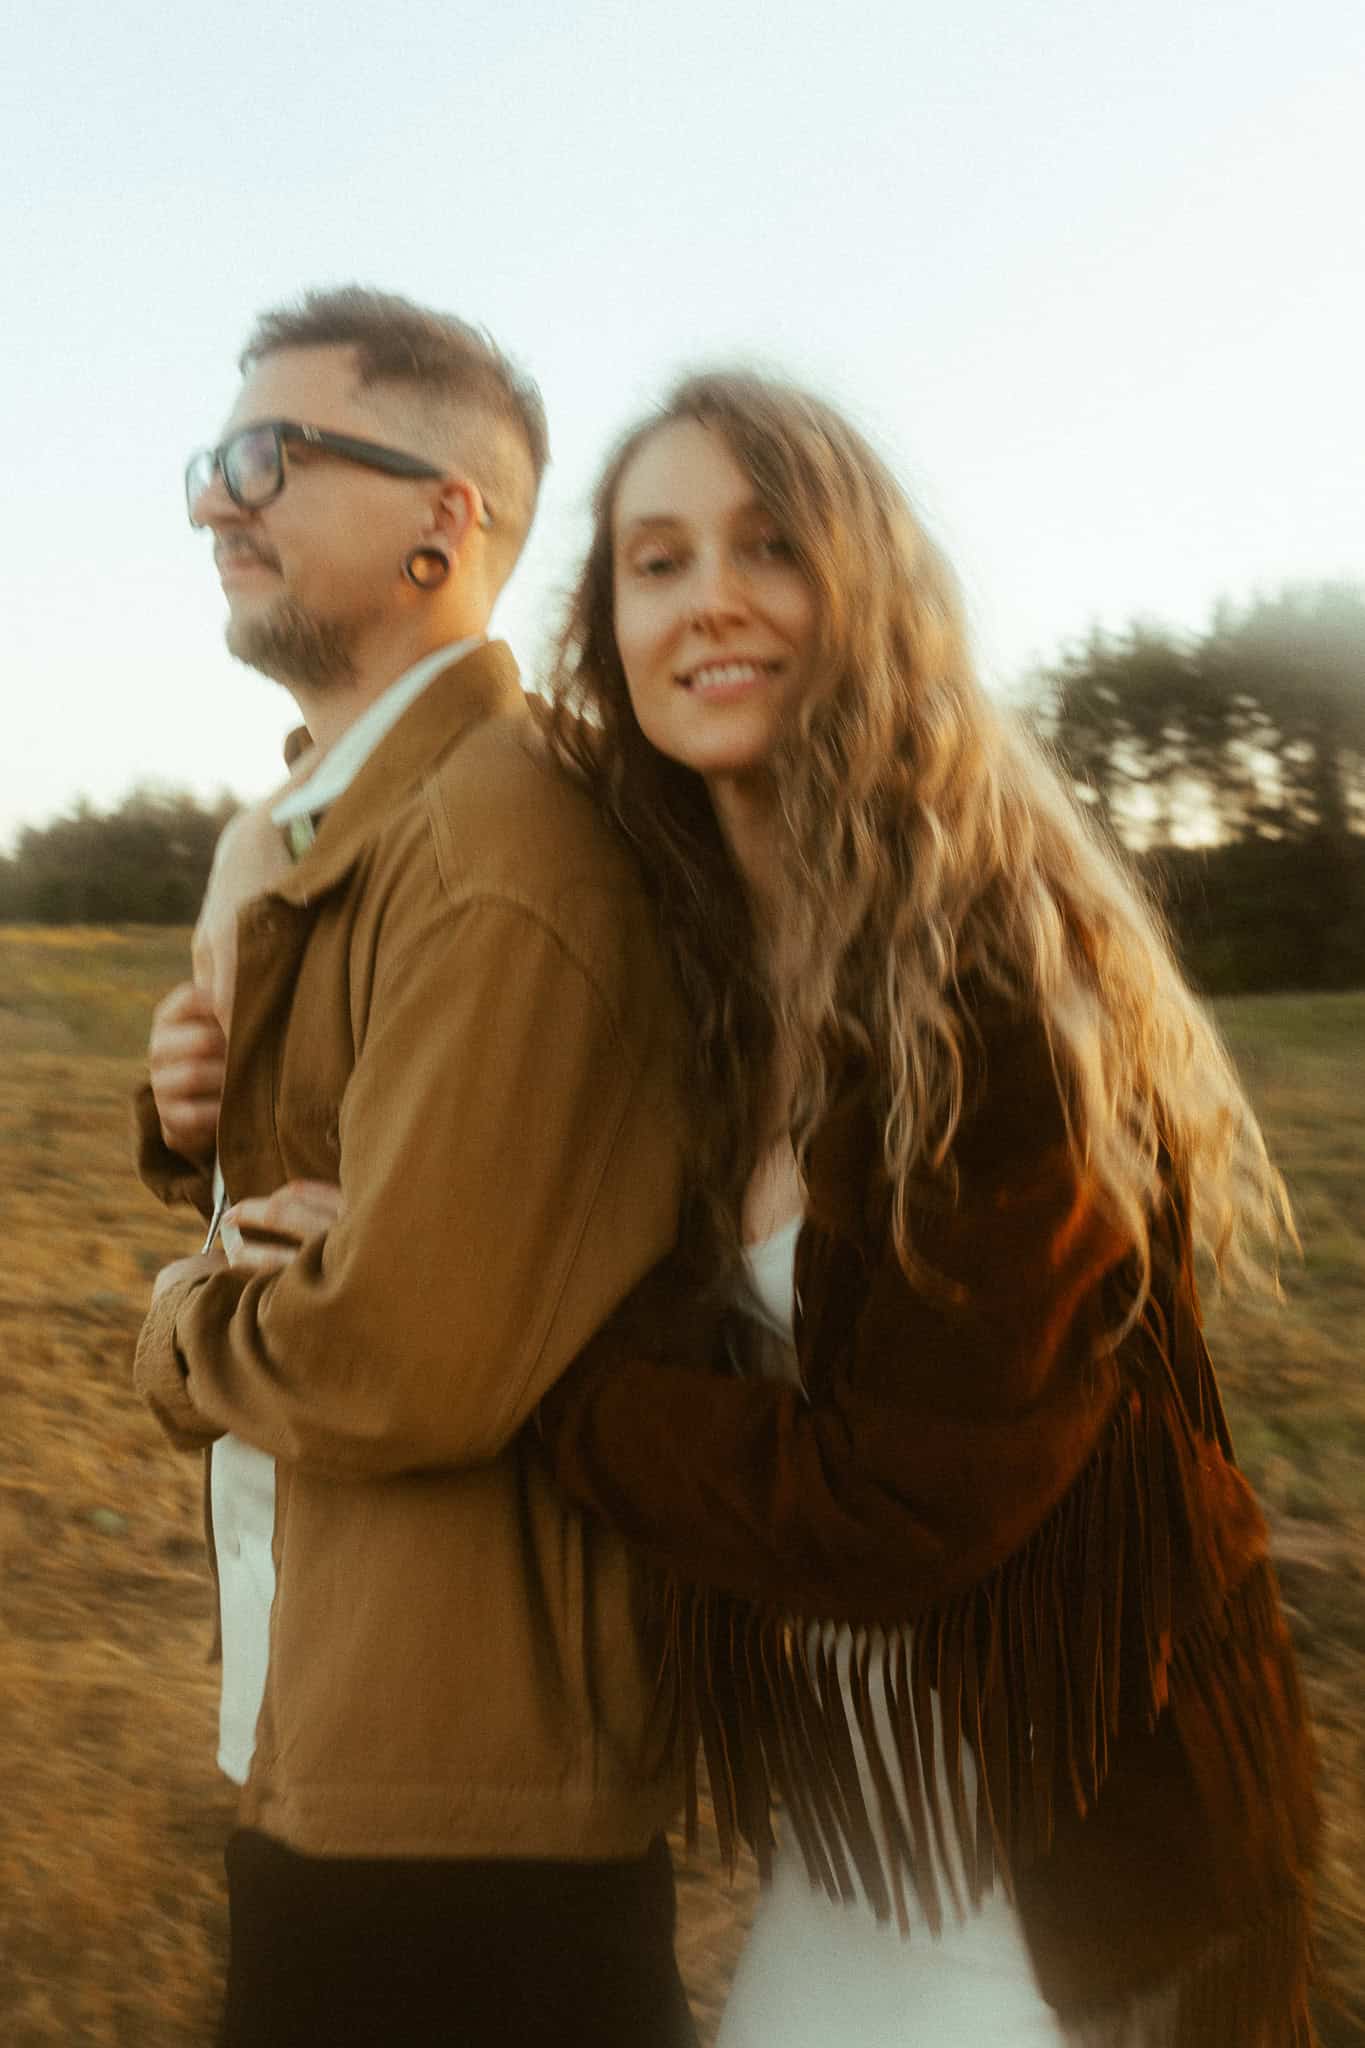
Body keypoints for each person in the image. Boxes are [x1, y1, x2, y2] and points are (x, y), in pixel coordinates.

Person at [197, 368, 1320, 2047]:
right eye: (655, 560)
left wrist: (503, 1366)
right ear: (611, 624)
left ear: (863, 598)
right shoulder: (695, 967)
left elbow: (897, 1507)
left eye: (768, 545)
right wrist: (199, 1070)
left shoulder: (998, 985)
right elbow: (400, 887)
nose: (707, 595)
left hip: (1073, 1840)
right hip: (847, 1828)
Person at [132, 287, 698, 2048]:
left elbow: (398, 1354)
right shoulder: (329, 820)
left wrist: (178, 1324)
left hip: (466, 1770)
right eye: (211, 464)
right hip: (346, 1688)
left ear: (442, 523)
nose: (216, 502)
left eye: (265, 458)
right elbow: (333, 1204)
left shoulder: (501, 851)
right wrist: (192, 1132)